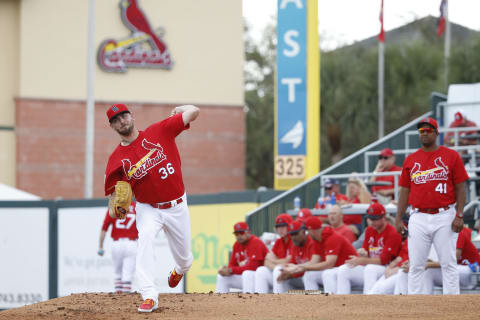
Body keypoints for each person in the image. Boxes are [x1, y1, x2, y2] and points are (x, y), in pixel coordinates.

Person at [104, 103, 199, 312]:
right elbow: (116, 193)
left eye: (123, 116)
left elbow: (194, 112)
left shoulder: (159, 131)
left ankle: (180, 268)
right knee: (144, 240)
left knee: (184, 260)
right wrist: (116, 203)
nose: (121, 121)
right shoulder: (116, 160)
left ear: (132, 116)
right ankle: (149, 295)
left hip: (176, 205)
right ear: (112, 127)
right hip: (148, 208)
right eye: (116, 120)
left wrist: (180, 109)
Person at [395, 117, 468, 295]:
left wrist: (459, 215)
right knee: (416, 265)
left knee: (448, 263)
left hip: (444, 214)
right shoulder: (411, 159)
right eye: (422, 131)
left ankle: (452, 306)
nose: (425, 133)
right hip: (418, 216)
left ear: (436, 133)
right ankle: (416, 307)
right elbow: (404, 191)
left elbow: (461, 188)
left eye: (428, 130)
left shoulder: (451, 156)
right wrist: (398, 218)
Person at [336, 203, 402, 294]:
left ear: (384, 218)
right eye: (370, 218)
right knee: (343, 270)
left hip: (387, 269)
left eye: (375, 219)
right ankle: (342, 302)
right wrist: (363, 252)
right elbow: (365, 250)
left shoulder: (392, 233)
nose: (371, 222)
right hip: (370, 268)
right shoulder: (369, 230)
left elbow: (383, 260)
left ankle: (368, 301)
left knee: (370, 269)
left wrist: (361, 260)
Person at [300, 216, 358, 294]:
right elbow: (314, 261)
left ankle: (332, 303)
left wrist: (304, 267)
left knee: (327, 274)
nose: (307, 234)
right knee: (309, 275)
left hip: (352, 269)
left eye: (307, 231)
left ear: (312, 230)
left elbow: (329, 264)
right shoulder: (317, 239)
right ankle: (312, 302)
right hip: (337, 270)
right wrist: (297, 267)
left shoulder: (332, 237)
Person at [216, 222, 268, 294]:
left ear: (248, 232)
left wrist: (231, 270)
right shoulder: (237, 245)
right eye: (236, 234)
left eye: (241, 233)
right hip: (245, 276)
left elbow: (253, 267)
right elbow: (231, 265)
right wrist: (226, 270)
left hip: (259, 278)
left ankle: (248, 302)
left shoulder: (256, 242)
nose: (239, 236)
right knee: (221, 277)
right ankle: (220, 303)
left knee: (247, 274)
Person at [98, 201, 138, 293]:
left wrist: (100, 246)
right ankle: (125, 299)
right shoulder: (136, 207)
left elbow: (104, 229)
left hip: (117, 244)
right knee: (127, 274)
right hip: (131, 243)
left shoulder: (113, 207)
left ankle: (118, 299)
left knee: (117, 274)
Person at [255, 214, 293, 293]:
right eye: (278, 227)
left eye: (283, 226)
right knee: (261, 270)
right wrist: (277, 265)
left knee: (277, 270)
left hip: (293, 276)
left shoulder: (294, 239)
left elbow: (289, 261)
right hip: (280, 274)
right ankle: (259, 301)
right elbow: (266, 261)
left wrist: (275, 262)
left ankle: (278, 301)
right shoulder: (279, 241)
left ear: (290, 226)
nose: (280, 229)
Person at [273, 220, 314, 293]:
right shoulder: (295, 245)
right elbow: (292, 264)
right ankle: (280, 301)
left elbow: (313, 266)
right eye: (291, 235)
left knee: (309, 275)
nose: (293, 237)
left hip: (311, 277)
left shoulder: (311, 243)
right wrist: (286, 273)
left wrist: (292, 272)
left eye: (296, 234)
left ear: (303, 232)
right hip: (298, 278)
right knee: (279, 272)